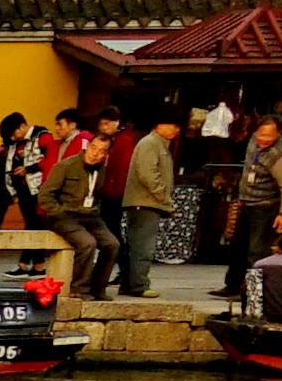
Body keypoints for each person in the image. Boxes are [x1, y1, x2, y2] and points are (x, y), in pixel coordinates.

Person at [225, 117, 282, 305]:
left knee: (256, 251)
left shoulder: (280, 155)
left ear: (278, 134)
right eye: (262, 134)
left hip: (265, 205)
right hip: (247, 202)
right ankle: (233, 285)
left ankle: (253, 292)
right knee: (239, 247)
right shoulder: (253, 139)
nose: (264, 139)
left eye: (269, 136)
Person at [35, 120, 119, 295]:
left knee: (112, 244)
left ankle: (98, 288)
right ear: (88, 146)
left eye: (101, 151)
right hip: (66, 216)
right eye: (93, 148)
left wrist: (95, 210)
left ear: (106, 155)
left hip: (90, 216)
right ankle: (79, 288)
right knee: (87, 244)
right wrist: (58, 212)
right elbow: (45, 195)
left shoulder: (101, 170)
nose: (95, 154)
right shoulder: (66, 166)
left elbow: (98, 194)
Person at [121, 115, 187, 292]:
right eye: (172, 124)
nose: (176, 130)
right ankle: (139, 285)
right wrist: (163, 195)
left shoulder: (160, 144)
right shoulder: (150, 143)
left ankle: (131, 283)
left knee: (138, 244)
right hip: (145, 201)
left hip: (148, 201)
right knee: (143, 246)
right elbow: (148, 174)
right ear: (159, 124)